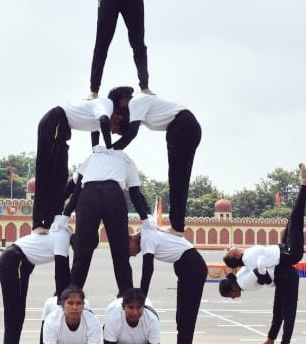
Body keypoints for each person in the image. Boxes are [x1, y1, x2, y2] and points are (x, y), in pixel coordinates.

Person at [219, 163, 306, 344]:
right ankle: (305, 185)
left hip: (283, 260)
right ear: (235, 256)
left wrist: (266, 270)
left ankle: (271, 340)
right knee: (295, 218)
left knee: (278, 311)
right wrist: (264, 269)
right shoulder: (244, 273)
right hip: (289, 257)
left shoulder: (243, 270)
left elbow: (264, 277)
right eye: (230, 249)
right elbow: (263, 277)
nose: (231, 246)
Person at [111, 90, 200, 235]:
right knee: (180, 179)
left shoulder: (136, 102)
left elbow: (131, 133)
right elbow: (126, 129)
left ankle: (177, 227)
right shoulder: (142, 106)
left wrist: (110, 150)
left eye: (117, 114)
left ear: (122, 102)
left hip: (181, 126)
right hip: (187, 126)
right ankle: (177, 226)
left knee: (177, 178)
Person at [64, 146, 150, 296]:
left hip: (88, 195)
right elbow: (135, 193)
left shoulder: (93, 156)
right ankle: (127, 296)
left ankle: (71, 297)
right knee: (121, 253)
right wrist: (146, 219)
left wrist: (60, 211)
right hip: (113, 195)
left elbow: (73, 185)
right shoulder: (126, 159)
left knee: (81, 253)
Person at [129, 223, 207, 344]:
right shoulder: (148, 232)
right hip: (187, 267)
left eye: (128, 252)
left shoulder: (146, 239)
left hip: (192, 267)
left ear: (130, 240)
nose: (132, 255)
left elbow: (148, 269)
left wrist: (141, 298)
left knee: (186, 323)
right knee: (181, 321)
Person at [0, 223, 74, 344]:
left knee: (17, 317)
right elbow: (60, 272)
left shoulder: (62, 235)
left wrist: (64, 293)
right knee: (14, 318)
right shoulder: (63, 238)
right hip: (15, 261)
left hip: (19, 263)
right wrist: (62, 298)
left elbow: (64, 271)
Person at [33, 97, 115, 233]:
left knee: (60, 178)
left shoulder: (101, 113)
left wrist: (98, 150)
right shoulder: (106, 106)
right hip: (55, 121)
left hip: (63, 129)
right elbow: (104, 121)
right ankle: (38, 223)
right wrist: (110, 147)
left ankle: (50, 221)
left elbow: (96, 131)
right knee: (46, 174)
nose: (114, 131)